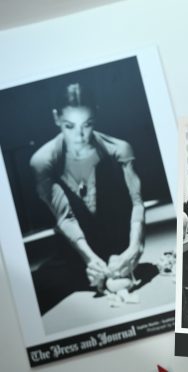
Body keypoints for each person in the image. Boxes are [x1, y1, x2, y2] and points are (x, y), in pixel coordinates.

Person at [30, 82, 145, 313]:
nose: (79, 136)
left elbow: (136, 203)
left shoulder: (119, 150)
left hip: (118, 246)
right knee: (29, 292)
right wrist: (90, 259)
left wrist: (135, 247)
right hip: (75, 251)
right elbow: (65, 217)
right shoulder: (42, 161)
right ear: (56, 118)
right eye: (69, 126)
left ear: (96, 116)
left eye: (87, 125)